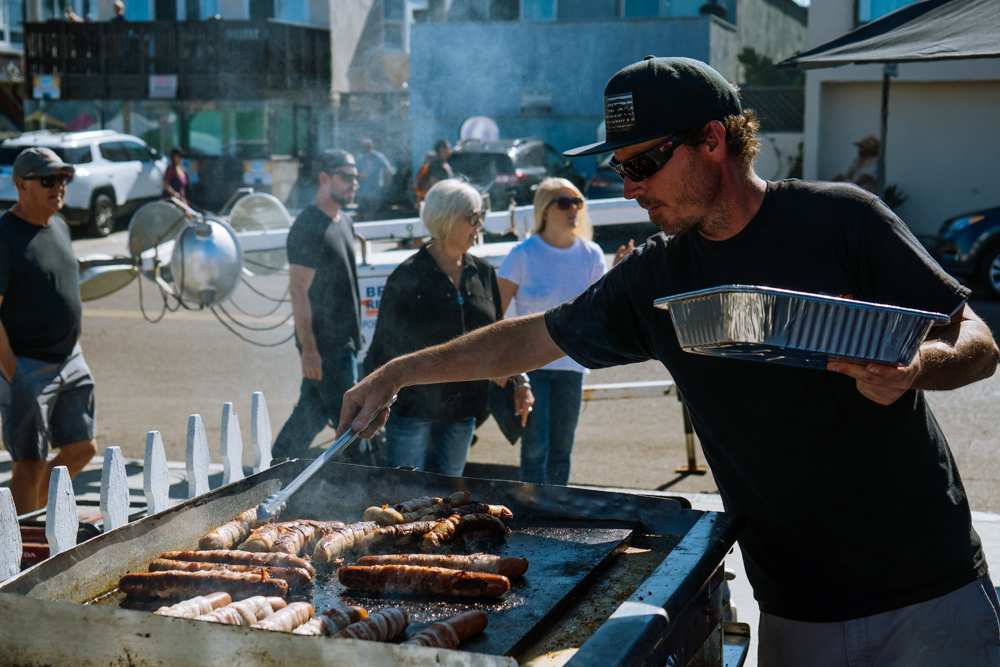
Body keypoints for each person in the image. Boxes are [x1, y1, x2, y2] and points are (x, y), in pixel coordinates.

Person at [339, 57, 1000, 666]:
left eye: (644, 163)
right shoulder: (656, 277)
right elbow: (531, 338)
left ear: (713, 141)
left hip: (929, 590)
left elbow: (977, 340)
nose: (628, 188)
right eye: (618, 169)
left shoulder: (845, 221)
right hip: (799, 609)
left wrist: (919, 366)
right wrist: (396, 371)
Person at [363, 179, 532, 476]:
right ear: (447, 218)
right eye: (474, 217)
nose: (480, 224)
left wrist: (520, 381)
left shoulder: (482, 273)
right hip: (413, 412)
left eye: (481, 216)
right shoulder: (406, 277)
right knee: (405, 498)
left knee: (447, 501)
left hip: (464, 411)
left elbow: (497, 335)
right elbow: (383, 348)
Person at [0, 148, 98, 513]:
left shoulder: (59, 226)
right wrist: (13, 374)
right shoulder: (5, 236)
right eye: (48, 180)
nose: (58, 187)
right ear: (21, 185)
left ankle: (34, 509)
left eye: (63, 179)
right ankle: (19, 545)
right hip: (27, 365)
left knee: (82, 448)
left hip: (70, 359)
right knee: (30, 462)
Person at [496, 177, 605, 484]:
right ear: (544, 209)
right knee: (535, 448)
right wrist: (507, 365)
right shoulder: (523, 253)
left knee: (562, 449)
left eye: (577, 202)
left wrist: (619, 275)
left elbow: (598, 309)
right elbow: (496, 312)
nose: (573, 209)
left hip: (572, 363)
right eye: (564, 202)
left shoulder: (592, 254)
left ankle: (558, 514)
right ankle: (531, 513)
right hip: (532, 366)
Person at [271, 150, 363, 461]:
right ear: (324, 178)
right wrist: (309, 349)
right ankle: (359, 484)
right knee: (352, 425)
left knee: (314, 412)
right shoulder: (308, 226)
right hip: (326, 347)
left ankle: (278, 468)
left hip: (346, 343)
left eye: (356, 178)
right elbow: (298, 291)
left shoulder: (344, 221)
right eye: (346, 177)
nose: (354, 183)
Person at [355, 137, 395, 220]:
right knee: (363, 210)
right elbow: (356, 172)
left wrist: (387, 184)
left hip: (376, 188)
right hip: (363, 190)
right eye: (364, 146)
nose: (366, 148)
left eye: (368, 146)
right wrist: (360, 175)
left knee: (374, 211)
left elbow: (389, 170)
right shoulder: (360, 158)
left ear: (371, 146)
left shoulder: (378, 157)